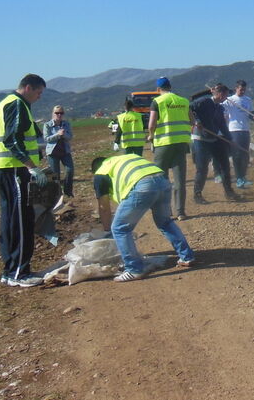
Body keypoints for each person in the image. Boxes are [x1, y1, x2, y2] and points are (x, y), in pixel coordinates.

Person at [0, 73, 48, 287]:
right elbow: (12, 139)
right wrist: (31, 167)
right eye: (39, 92)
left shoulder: (6, 103)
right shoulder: (17, 104)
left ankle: (11, 270)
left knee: (11, 219)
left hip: (6, 169)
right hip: (14, 169)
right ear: (28, 87)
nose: (39, 97)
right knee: (22, 218)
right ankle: (19, 272)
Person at [91, 154, 195, 282]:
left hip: (143, 186)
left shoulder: (101, 172)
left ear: (95, 169)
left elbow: (104, 206)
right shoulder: (122, 159)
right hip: (163, 181)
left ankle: (134, 269)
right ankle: (186, 256)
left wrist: (108, 230)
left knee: (119, 228)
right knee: (165, 222)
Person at [147, 77, 192, 219]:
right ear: (170, 87)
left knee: (161, 179)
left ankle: (165, 212)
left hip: (163, 144)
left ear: (158, 90)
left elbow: (152, 124)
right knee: (180, 180)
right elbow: (192, 120)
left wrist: (150, 136)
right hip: (181, 144)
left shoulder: (157, 102)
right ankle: (180, 212)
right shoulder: (183, 101)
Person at [190, 85, 237, 202]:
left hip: (214, 138)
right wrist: (197, 121)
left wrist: (230, 139)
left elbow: (222, 125)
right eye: (225, 95)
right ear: (220, 94)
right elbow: (189, 108)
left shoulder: (219, 108)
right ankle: (197, 194)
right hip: (200, 138)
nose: (226, 98)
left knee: (225, 164)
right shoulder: (204, 101)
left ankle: (229, 192)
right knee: (202, 168)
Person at [223, 80, 254, 188]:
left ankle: (243, 177)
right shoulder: (230, 100)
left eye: (244, 89)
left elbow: (251, 114)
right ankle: (238, 179)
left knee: (245, 155)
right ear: (236, 88)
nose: (242, 91)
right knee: (237, 155)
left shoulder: (248, 100)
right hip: (234, 130)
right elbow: (220, 109)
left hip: (245, 129)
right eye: (240, 89)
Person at [44, 105, 74, 202]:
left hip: (65, 151)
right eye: (57, 113)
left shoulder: (66, 124)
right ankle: (56, 194)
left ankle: (68, 191)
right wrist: (58, 135)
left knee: (70, 170)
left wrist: (64, 134)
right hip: (53, 152)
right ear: (53, 114)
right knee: (55, 175)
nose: (59, 115)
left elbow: (70, 136)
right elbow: (47, 138)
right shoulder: (47, 125)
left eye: (61, 113)